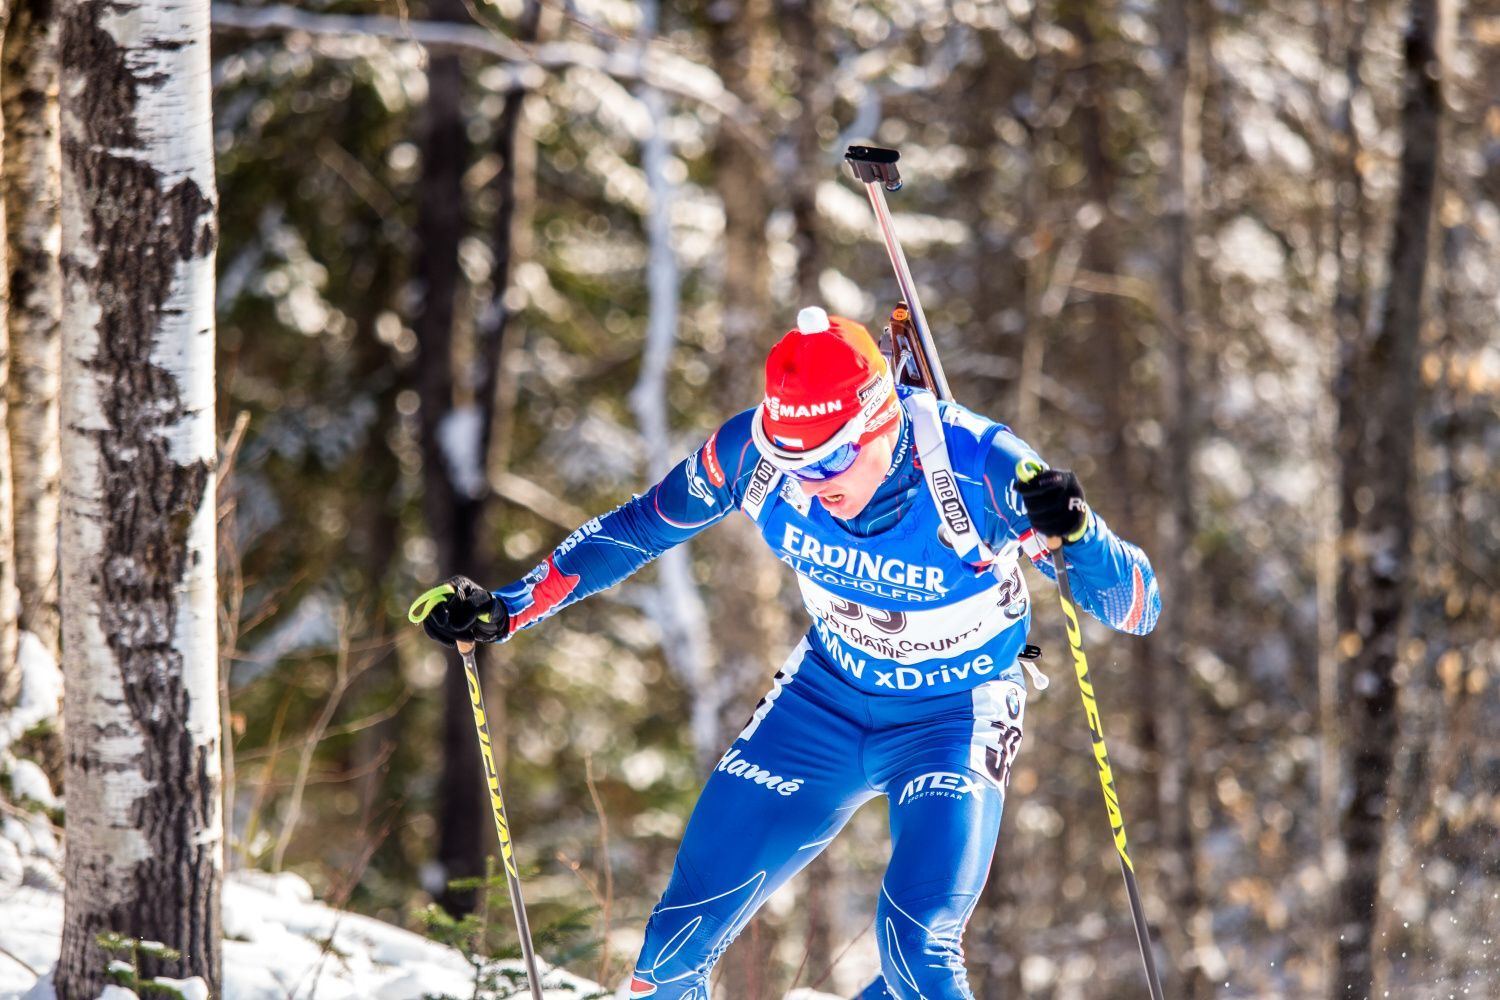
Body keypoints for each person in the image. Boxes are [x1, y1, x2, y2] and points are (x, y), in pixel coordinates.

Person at [420, 306, 1160, 999]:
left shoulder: (978, 467)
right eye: (795, 461)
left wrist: (1080, 532)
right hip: (821, 706)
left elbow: (1136, 606)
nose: (813, 482)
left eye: (833, 459)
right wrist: (507, 608)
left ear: (881, 422)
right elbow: (643, 525)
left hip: (952, 719)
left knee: (915, 948)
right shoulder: (752, 455)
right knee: (673, 949)